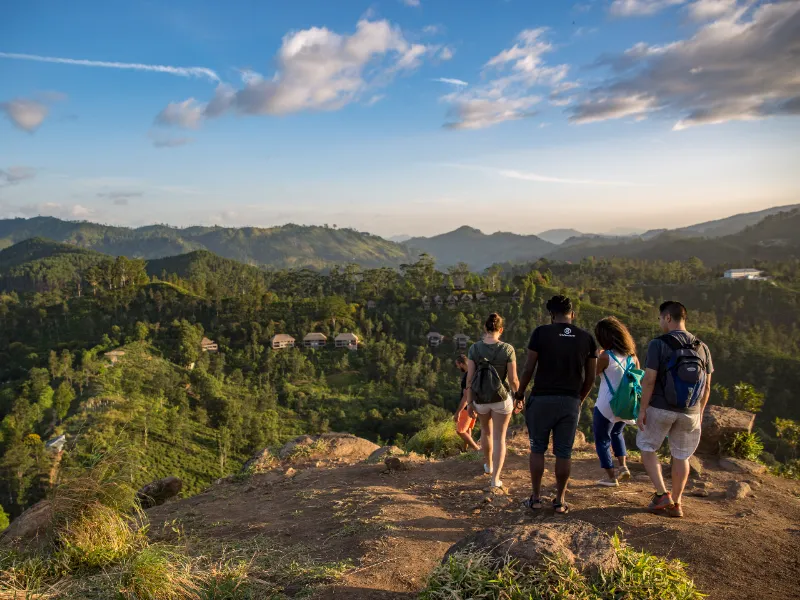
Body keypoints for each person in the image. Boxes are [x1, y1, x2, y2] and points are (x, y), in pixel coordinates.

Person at [515, 295, 598, 515]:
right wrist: (579, 399)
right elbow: (590, 377)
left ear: (551, 315)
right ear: (573, 314)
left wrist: (520, 393)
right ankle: (560, 501)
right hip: (570, 401)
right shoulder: (586, 338)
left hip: (541, 399)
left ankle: (535, 498)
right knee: (564, 452)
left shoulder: (541, 333)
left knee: (537, 449)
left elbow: (528, 368)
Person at [637, 301, 713, 518]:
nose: (660, 322)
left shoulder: (658, 344)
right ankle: (677, 503)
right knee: (681, 455)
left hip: (661, 407)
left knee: (647, 445)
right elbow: (707, 386)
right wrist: (698, 411)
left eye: (661, 318)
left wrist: (643, 409)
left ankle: (662, 494)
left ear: (668, 318)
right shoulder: (703, 347)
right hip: (690, 411)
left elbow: (649, 380)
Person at [465, 313, 519, 490]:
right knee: (500, 438)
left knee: (485, 432)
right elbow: (513, 380)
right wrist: (519, 397)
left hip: (480, 399)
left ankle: (488, 465)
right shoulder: (507, 349)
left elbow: (470, 379)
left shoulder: (474, 348)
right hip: (501, 399)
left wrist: (469, 402)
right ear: (501, 330)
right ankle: (495, 479)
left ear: (484, 329)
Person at [593, 317, 637, 487]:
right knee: (617, 434)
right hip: (625, 404)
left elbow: (592, 374)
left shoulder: (605, 357)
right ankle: (623, 466)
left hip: (606, 405)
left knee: (602, 439)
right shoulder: (632, 356)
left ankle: (611, 477)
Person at [453, 354, 480, 452]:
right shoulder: (475, 372)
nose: (457, 367)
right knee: (468, 428)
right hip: (475, 404)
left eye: (457, 365)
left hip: (467, 406)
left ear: (461, 364)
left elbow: (465, 396)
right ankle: (465, 450)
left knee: (460, 431)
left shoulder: (467, 376)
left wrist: (458, 412)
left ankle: (477, 450)